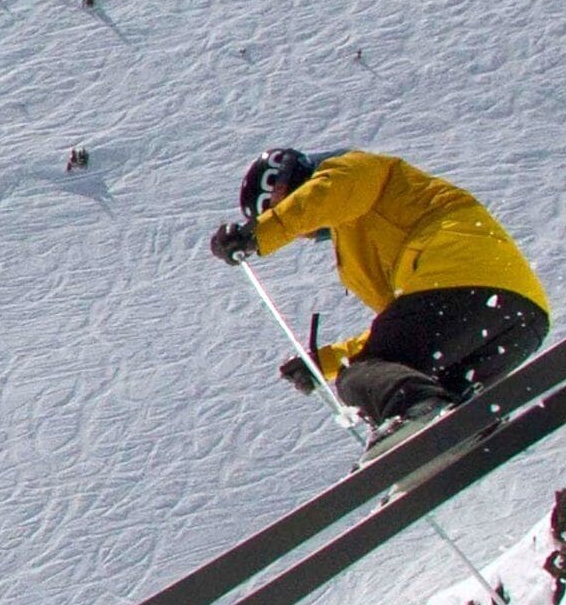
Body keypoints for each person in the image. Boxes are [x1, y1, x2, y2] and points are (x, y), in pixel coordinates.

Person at [208, 146, 548, 431]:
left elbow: (324, 196)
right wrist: (324, 361)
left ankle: (419, 414)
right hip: (517, 315)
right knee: (415, 383)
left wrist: (258, 233)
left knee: (363, 379)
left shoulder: (354, 170)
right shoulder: (358, 246)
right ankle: (446, 441)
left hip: (463, 282)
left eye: (283, 205)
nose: (298, 227)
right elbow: (404, 327)